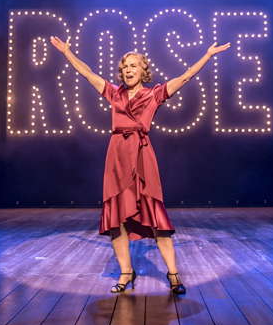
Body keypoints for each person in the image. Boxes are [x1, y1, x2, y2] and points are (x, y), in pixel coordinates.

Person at [49, 36, 230, 294]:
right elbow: (87, 73)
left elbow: (187, 75)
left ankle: (174, 274)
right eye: (125, 67)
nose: (128, 70)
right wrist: (67, 52)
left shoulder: (154, 94)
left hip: (142, 155)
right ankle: (126, 272)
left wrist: (208, 55)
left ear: (143, 71)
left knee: (154, 216)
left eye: (134, 66)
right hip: (117, 156)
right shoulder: (114, 93)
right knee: (117, 219)